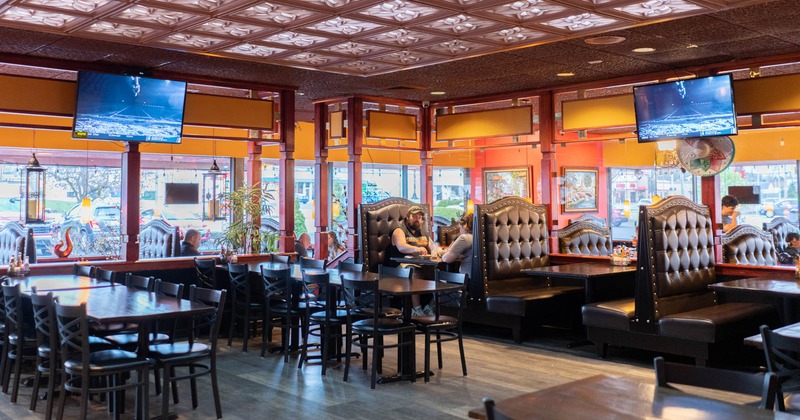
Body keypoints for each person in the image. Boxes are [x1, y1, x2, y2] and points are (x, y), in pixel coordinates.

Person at [383, 205, 432, 316]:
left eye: (420, 217)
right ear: (407, 217)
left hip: (421, 264)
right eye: (414, 216)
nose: (417, 219)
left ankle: (429, 306)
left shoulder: (423, 232)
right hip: (397, 266)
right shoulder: (399, 229)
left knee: (438, 271)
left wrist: (439, 252)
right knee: (413, 271)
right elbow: (401, 246)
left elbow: (432, 247)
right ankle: (416, 309)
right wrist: (417, 249)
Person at [441, 213, 473, 278]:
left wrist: (445, 251)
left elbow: (446, 259)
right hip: (482, 280)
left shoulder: (464, 238)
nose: (460, 231)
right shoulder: (481, 237)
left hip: (466, 280)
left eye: (460, 228)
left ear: (465, 226)